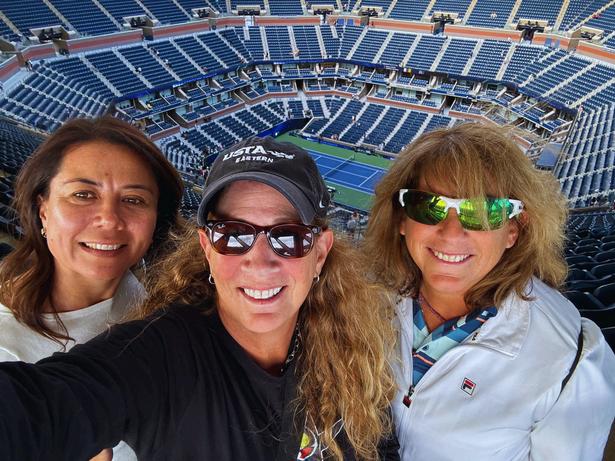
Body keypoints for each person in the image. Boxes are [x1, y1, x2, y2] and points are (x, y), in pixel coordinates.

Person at [0, 136, 398, 460]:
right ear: (207, 248)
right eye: (233, 235)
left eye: (289, 237)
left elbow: (379, 447)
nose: (260, 261)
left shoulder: (354, 348)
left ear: (320, 253)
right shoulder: (162, 354)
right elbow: (42, 407)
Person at [363, 123, 615, 460]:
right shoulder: (361, 296)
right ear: (402, 219)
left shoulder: (568, 358)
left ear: (513, 229)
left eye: (481, 213)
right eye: (428, 206)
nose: (451, 233)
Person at [0, 116, 183, 461]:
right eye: (83, 195)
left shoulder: (153, 288)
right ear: (43, 210)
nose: (109, 219)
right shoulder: (6, 348)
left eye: (134, 200)